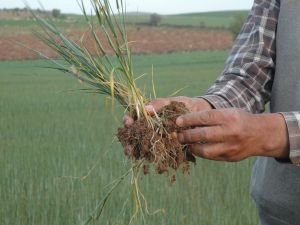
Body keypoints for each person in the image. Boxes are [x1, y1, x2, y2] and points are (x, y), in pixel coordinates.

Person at [124, 0, 300, 224]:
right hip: (283, 212)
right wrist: (204, 108)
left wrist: (280, 134)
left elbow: (276, 133)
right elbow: (249, 76)